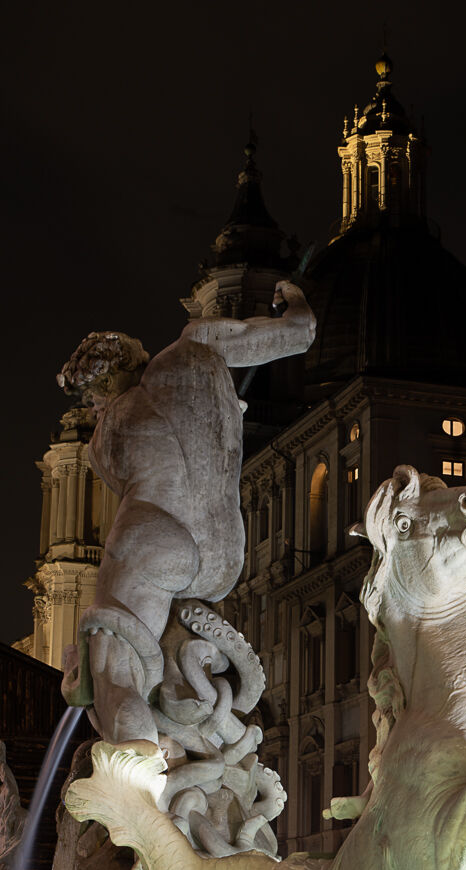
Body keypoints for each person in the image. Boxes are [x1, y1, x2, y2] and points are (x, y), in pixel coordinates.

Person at [59, 281, 316, 745]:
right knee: (168, 667)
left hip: (152, 534)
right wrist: (294, 304)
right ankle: (192, 748)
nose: (94, 407)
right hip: (220, 555)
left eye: (92, 397)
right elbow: (300, 332)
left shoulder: (106, 433)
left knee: (114, 679)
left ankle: (133, 801)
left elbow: (132, 474)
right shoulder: (193, 349)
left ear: (102, 382)